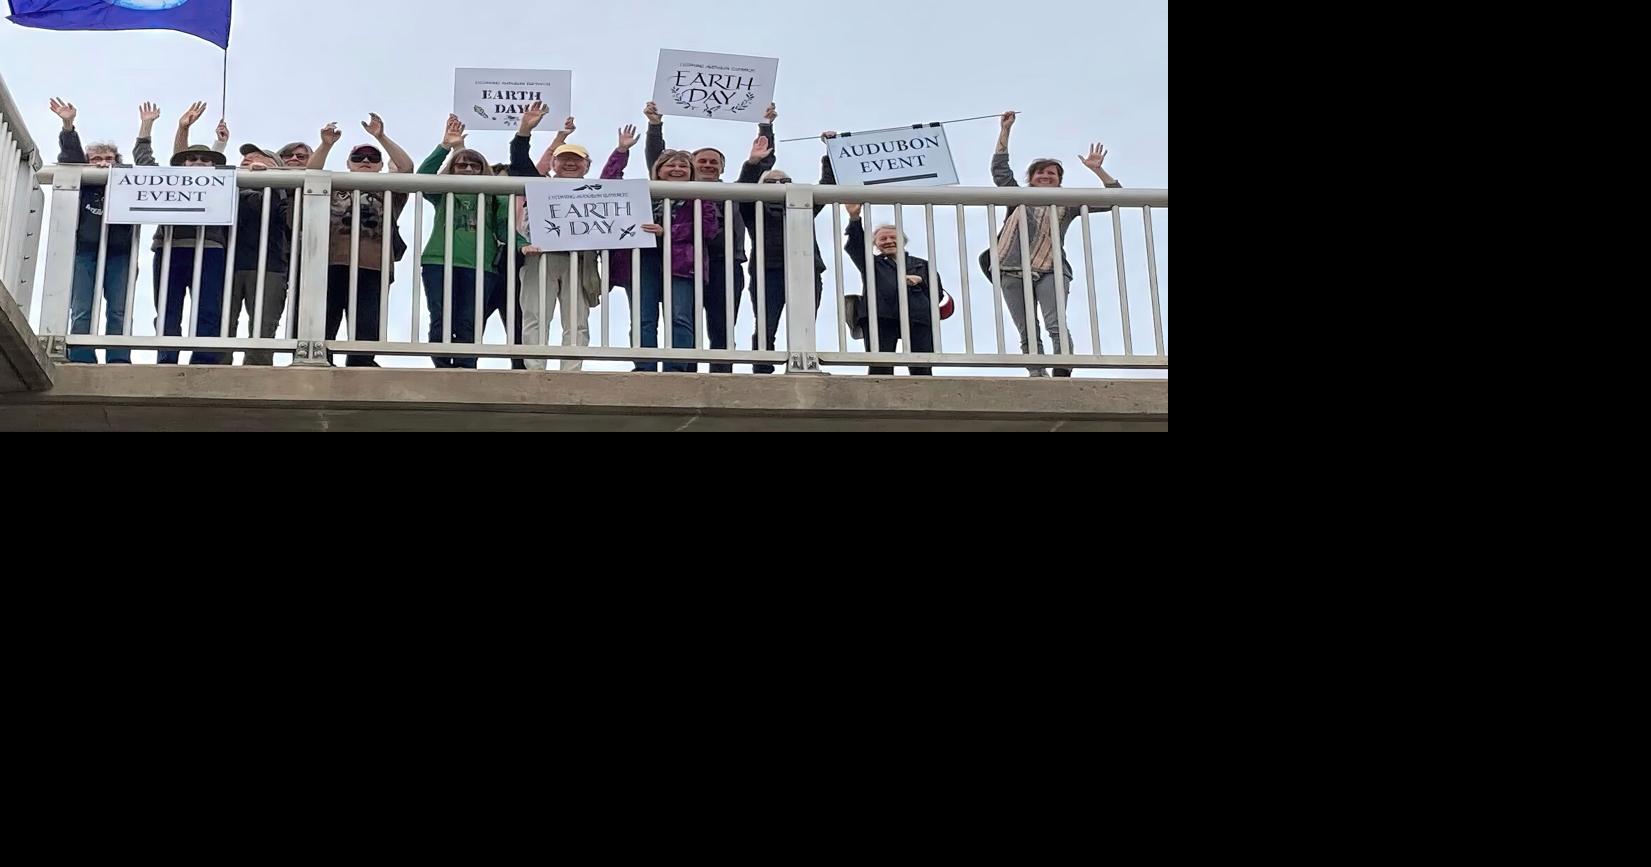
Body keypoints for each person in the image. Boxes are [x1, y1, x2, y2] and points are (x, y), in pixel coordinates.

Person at [986, 110, 1122, 377]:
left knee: (1055, 323)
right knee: (1027, 329)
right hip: (1010, 268)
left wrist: (1098, 170)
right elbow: (999, 170)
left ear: (1060, 180)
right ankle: (1037, 374)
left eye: (1052, 173)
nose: (1045, 176)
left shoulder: (1067, 203)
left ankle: (1062, 373)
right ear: (1031, 178)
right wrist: (1005, 131)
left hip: (1052, 269)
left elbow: (1113, 199)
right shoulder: (1016, 196)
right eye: (1040, 173)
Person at [645, 100, 775, 372]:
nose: (708, 165)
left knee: (722, 325)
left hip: (724, 263)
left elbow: (758, 166)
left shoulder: (735, 192)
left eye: (714, 162)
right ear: (692, 165)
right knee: (684, 320)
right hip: (685, 263)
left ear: (722, 169)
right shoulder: (675, 190)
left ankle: (720, 377)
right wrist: (655, 126)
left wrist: (765, 128)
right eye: (702, 161)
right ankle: (686, 374)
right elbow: (658, 162)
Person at [509, 104, 635, 372]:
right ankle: (534, 369)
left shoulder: (596, 192)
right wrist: (524, 131)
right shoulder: (539, 186)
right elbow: (519, 162)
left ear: (587, 165)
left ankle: (571, 370)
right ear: (553, 164)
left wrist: (621, 151)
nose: (570, 163)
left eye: (577, 160)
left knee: (577, 320)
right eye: (563, 158)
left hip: (580, 260)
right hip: (539, 256)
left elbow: (613, 179)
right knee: (535, 315)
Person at [307, 114, 414, 366]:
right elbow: (311, 173)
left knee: (367, 324)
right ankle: (322, 364)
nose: (365, 161)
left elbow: (407, 168)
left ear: (380, 165)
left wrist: (380, 137)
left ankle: (360, 366)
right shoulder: (333, 186)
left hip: (373, 265)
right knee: (326, 320)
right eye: (358, 158)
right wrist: (326, 145)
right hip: (331, 262)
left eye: (372, 158)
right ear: (349, 163)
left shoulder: (390, 191)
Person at [49, 97, 148, 364]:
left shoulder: (128, 184)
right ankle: (81, 356)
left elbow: (148, 172)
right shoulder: (84, 182)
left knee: (119, 310)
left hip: (121, 252)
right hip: (85, 251)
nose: (103, 164)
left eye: (109, 159)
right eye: (96, 159)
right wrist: (68, 126)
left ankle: (118, 358)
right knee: (82, 307)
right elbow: (70, 158)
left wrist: (145, 130)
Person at [736, 128, 837, 373]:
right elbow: (744, 190)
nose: (780, 185)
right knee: (766, 324)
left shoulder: (804, 207)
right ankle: (762, 369)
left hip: (806, 271)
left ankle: (805, 367)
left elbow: (828, 185)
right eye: (771, 182)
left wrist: (831, 150)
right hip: (768, 271)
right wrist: (753, 163)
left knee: (805, 324)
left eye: (785, 182)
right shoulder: (753, 209)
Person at [417, 115, 510, 369]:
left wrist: (523, 243)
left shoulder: (493, 197)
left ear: (483, 171)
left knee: (469, 320)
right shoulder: (442, 194)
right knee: (441, 316)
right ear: (452, 170)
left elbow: (505, 229)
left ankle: (466, 367)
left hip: (480, 265)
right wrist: (445, 146)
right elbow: (423, 177)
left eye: (474, 166)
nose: (468, 169)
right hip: (439, 261)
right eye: (462, 165)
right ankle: (442, 366)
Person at [633, 149, 719, 372]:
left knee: (680, 316)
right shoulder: (642, 195)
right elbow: (609, 184)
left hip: (682, 263)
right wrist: (622, 151)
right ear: (658, 170)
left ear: (691, 172)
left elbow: (708, 227)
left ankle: (676, 368)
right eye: (671, 165)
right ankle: (645, 368)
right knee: (644, 317)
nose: (677, 169)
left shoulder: (699, 195)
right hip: (646, 259)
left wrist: (667, 232)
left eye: (683, 166)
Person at [844, 203, 942, 376]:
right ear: (875, 245)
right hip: (880, 316)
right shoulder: (871, 263)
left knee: (921, 366)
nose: (888, 241)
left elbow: (938, 293)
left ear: (903, 241)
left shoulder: (922, 265)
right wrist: (854, 218)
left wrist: (920, 281)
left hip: (917, 316)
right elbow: (855, 246)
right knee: (880, 364)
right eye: (883, 239)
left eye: (893, 237)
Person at [226, 144, 296, 365]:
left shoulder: (284, 193)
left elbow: (284, 216)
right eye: (245, 157)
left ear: (276, 166)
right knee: (222, 324)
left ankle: (257, 371)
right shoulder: (229, 188)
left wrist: (270, 180)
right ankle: (217, 367)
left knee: (263, 328)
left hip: (270, 266)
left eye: (256, 156)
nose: (247, 159)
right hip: (228, 265)